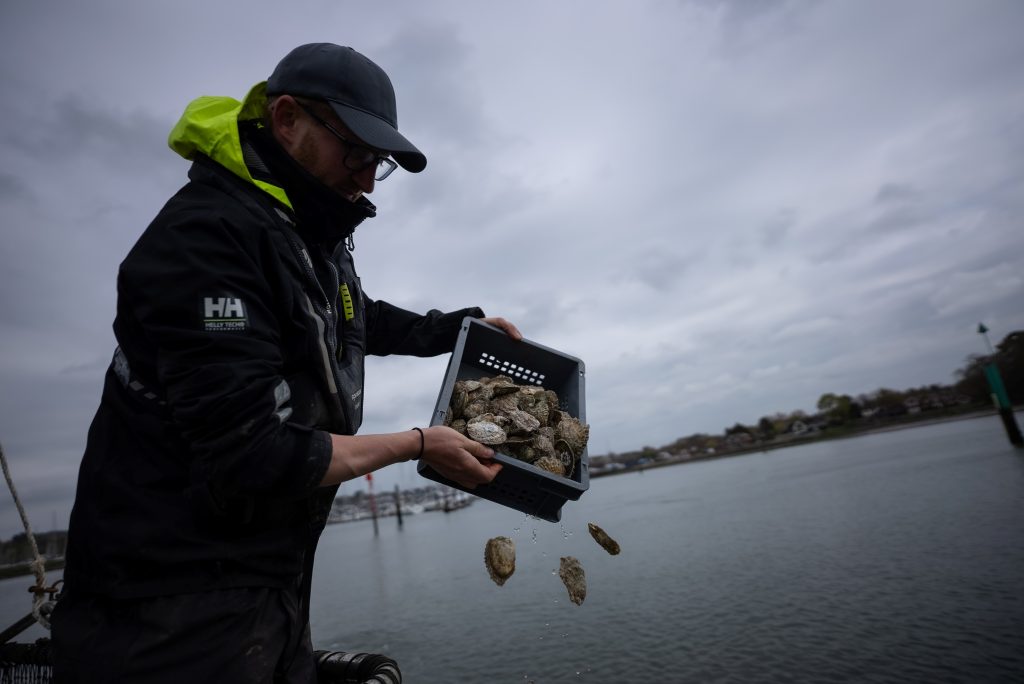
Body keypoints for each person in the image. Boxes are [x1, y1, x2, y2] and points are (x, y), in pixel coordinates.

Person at [51, 43, 521, 682]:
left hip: (266, 586)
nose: (363, 177)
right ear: (287, 119)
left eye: (376, 163)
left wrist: (456, 328)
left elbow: (353, 317)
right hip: (164, 610)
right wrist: (416, 445)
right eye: (355, 152)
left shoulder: (302, 232)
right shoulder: (206, 243)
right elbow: (254, 453)